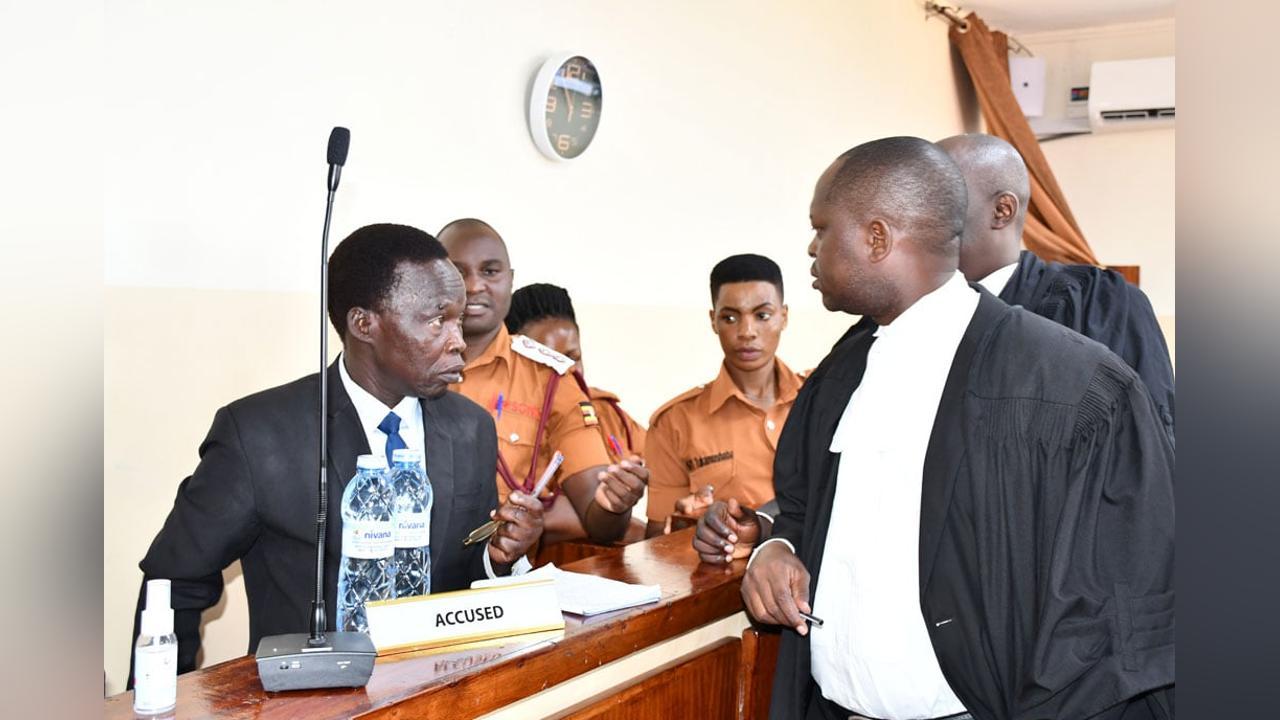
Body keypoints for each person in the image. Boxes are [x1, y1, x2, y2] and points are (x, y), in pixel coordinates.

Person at [743, 137, 1174, 720]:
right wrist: (775, 547)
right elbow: (803, 506)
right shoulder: (841, 373)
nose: (812, 248)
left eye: (822, 228)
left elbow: (1115, 619)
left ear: (876, 239)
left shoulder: (1072, 385)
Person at [130, 224, 544, 679]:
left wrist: (498, 559)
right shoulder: (259, 434)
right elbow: (174, 582)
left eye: (458, 320)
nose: (458, 341)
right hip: (308, 699)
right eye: (435, 320)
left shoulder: (470, 428)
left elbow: (461, 576)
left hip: (438, 692)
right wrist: (162, 699)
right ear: (364, 324)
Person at [937, 133, 1175, 440]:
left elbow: (1145, 445)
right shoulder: (898, 317)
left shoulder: (1097, 305)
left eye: (937, 199)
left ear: (1002, 210)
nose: (915, 215)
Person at [438, 219, 647, 546]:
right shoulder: (400, 366)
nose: (475, 285)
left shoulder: (551, 380)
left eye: (490, 271)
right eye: (458, 272)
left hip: (501, 570)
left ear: (510, 279)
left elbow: (600, 522)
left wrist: (613, 505)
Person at [644, 253, 806, 537]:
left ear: (784, 317)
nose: (747, 332)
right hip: (724, 565)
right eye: (730, 317)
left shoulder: (820, 401)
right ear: (713, 321)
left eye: (762, 315)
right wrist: (688, 523)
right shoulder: (676, 422)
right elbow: (658, 540)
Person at [505, 282, 647, 463]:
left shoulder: (608, 413)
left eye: (573, 358)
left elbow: (661, 465)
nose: (566, 371)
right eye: (549, 362)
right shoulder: (500, 420)